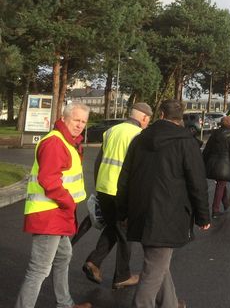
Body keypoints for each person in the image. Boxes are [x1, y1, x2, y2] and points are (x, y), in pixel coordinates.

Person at [116, 99, 211, 308]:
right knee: (153, 269)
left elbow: (125, 178)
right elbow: (197, 181)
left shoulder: (140, 139)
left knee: (158, 262)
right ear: (181, 117)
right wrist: (203, 215)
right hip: (168, 214)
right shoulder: (186, 141)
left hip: (140, 210)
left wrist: (122, 212)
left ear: (160, 115)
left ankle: (171, 303)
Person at [15, 102, 92, 308]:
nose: (79, 125)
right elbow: (49, 180)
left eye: (83, 122)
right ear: (64, 118)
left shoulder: (68, 142)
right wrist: (68, 202)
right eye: (76, 120)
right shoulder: (56, 143)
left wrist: (67, 207)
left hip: (57, 214)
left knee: (64, 256)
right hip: (49, 214)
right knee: (39, 269)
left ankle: (65, 303)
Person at [83, 102, 153, 289]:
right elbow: (139, 169)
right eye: (148, 120)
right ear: (144, 118)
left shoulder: (112, 131)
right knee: (125, 233)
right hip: (122, 193)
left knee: (114, 228)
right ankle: (122, 276)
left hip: (104, 188)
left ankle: (94, 262)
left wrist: (98, 187)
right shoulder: (139, 135)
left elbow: (99, 161)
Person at [203, 116, 230, 218]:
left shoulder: (214, 134)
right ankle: (215, 210)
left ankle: (226, 203)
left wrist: (203, 161)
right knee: (220, 185)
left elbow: (207, 149)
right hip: (225, 164)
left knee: (221, 183)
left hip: (212, 163)